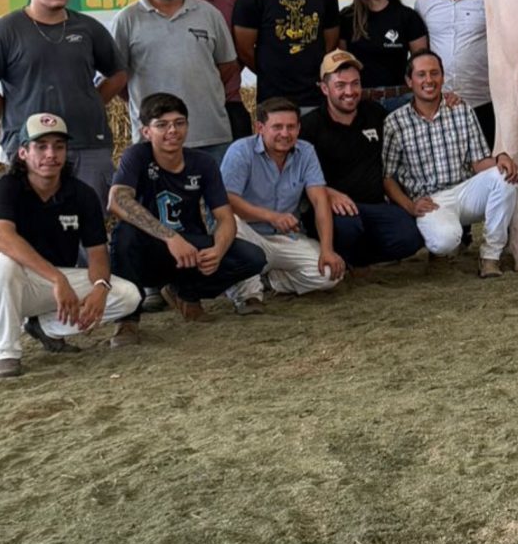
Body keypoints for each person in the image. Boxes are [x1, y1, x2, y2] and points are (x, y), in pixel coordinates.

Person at [0, 113, 141, 380]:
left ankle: (44, 326)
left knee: (128, 296)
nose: (51, 154)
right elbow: (3, 238)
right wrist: (57, 278)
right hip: (1, 286)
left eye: (59, 146)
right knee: (5, 264)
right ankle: (6, 354)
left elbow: (97, 251)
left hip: (51, 286)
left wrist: (100, 287)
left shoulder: (81, 193)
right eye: (41, 146)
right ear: (23, 153)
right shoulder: (5, 186)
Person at [0, 0, 127, 203]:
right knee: (33, 219)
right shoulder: (6, 30)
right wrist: (16, 116)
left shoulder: (88, 27)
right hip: (31, 145)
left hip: (86, 142)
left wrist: (92, 102)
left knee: (90, 217)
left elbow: (118, 74)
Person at [107, 93, 268, 339]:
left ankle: (186, 294)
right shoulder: (137, 156)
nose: (172, 130)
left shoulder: (203, 162)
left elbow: (225, 217)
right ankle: (127, 320)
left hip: (191, 250)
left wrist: (218, 251)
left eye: (179, 123)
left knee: (252, 257)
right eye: (162, 125)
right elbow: (117, 200)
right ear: (146, 132)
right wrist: (171, 237)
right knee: (123, 234)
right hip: (151, 249)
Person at [382, 49, 518, 278]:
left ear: (443, 77)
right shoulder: (395, 123)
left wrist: (501, 159)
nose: (429, 80)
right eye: (421, 74)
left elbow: (479, 162)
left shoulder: (460, 110)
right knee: (446, 240)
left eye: (434, 73)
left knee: (506, 176)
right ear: (409, 81)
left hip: (465, 191)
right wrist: (410, 206)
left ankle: (490, 256)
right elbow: (387, 178)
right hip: (431, 202)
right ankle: (440, 252)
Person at [112, 0, 240, 165]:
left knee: (216, 189)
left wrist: (202, 87)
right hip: (154, 139)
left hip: (210, 134)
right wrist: (143, 103)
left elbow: (227, 66)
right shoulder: (127, 19)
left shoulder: (209, 14)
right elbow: (117, 78)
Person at [301, 49, 426, 269]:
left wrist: (446, 100)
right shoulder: (309, 126)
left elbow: (413, 118)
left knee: (411, 237)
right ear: (324, 88)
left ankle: (360, 261)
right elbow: (297, 176)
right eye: (340, 85)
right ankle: (342, 257)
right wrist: (327, 193)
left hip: (375, 206)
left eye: (355, 84)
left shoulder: (375, 114)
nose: (349, 92)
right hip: (333, 210)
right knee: (348, 229)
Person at [220, 98, 346, 309]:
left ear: (299, 128)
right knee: (229, 222)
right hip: (249, 234)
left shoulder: (306, 151)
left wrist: (327, 249)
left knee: (328, 275)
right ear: (260, 128)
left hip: (286, 237)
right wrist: (272, 216)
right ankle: (248, 296)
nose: (285, 134)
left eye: (291, 127)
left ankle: (269, 281)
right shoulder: (241, 150)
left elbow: (319, 199)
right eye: (277, 127)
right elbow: (226, 200)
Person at [415, 0, 494, 147]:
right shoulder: (424, 3)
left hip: (483, 101)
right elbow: (421, 53)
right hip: (440, 104)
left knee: (488, 164)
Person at [180, 0, 251, 139]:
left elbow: (242, 50)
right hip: (181, 104)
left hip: (227, 101)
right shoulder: (170, 1)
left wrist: (215, 81)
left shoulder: (233, 1)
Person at [339, 0, 428, 109]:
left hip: (401, 99)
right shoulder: (346, 18)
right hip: (360, 102)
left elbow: (422, 63)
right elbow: (341, 64)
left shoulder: (408, 17)